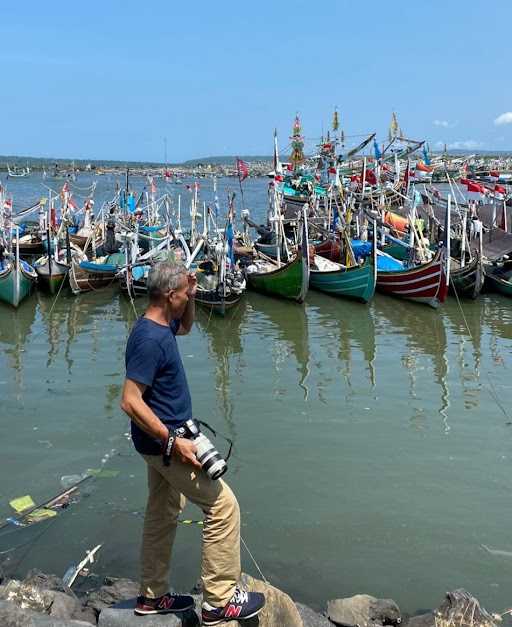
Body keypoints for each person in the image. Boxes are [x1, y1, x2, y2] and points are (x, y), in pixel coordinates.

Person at [120, 260, 265, 624]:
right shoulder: (150, 339)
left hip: (163, 443)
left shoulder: (160, 322)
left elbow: (185, 327)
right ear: (170, 296)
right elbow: (129, 400)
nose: (188, 296)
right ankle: (219, 601)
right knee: (223, 507)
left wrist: (195, 294)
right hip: (168, 446)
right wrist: (174, 443)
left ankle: (152, 597)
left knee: (162, 513)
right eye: (185, 292)